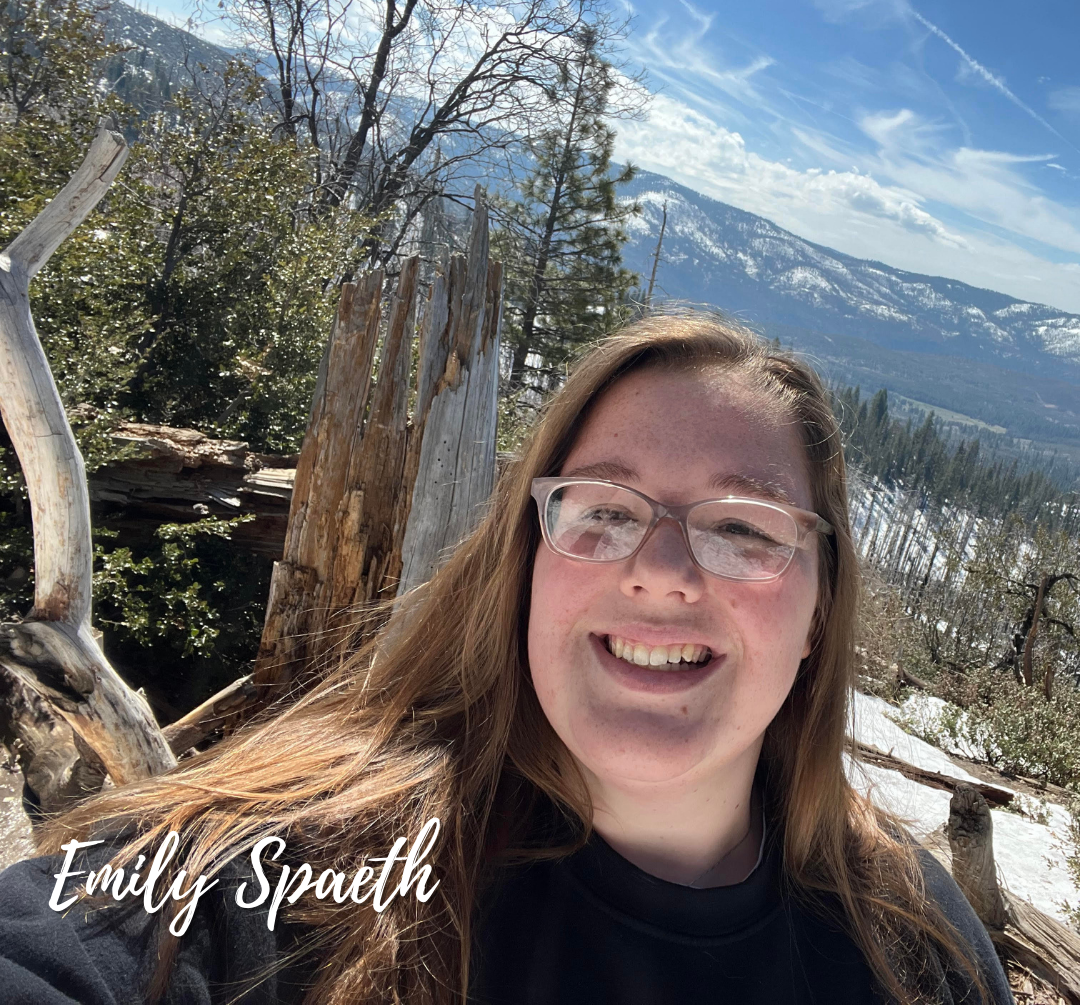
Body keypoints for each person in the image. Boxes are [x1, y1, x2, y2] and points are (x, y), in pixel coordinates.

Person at [0, 313, 1012, 1005]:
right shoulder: (287, 878)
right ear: (529, 562)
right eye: (604, 510)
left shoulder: (913, 946)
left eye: (744, 528)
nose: (661, 574)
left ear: (820, 607)